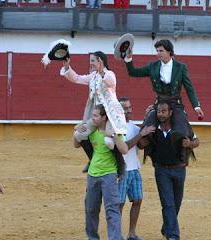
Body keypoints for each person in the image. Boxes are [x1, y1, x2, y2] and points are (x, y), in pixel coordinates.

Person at [124, 39, 204, 162]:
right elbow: (133, 72)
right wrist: (128, 59)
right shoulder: (153, 66)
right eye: (157, 51)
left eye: (161, 50)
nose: (158, 53)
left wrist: (196, 107)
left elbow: (189, 88)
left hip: (175, 104)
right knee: (147, 128)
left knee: (182, 129)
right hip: (159, 103)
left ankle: (184, 152)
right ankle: (152, 151)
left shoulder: (180, 67)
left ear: (169, 52)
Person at [138, 101, 199, 240]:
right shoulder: (153, 129)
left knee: (176, 203)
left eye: (163, 111)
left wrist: (190, 144)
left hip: (179, 170)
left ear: (171, 112)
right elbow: (141, 145)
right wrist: (144, 134)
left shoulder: (181, 128)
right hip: (161, 170)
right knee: (168, 203)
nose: (160, 114)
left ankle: (167, 227)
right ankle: (173, 235)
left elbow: (196, 141)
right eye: (158, 111)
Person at [60, 51, 127, 173]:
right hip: (97, 114)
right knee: (79, 134)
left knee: (108, 141)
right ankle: (92, 159)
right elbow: (76, 78)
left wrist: (102, 73)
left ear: (100, 61)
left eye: (92, 61)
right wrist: (66, 67)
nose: (90, 64)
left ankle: (120, 164)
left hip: (110, 115)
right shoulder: (93, 76)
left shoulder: (109, 74)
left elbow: (110, 84)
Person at [74, 104, 128, 240]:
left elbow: (124, 149)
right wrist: (77, 132)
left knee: (112, 210)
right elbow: (76, 144)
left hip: (109, 175)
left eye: (96, 116)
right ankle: (92, 238)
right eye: (92, 115)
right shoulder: (91, 131)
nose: (92, 118)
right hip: (92, 175)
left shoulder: (113, 132)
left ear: (104, 118)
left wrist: (114, 136)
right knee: (91, 209)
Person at [118, 96, 156, 240]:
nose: (128, 110)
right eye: (125, 108)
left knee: (138, 200)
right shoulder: (116, 127)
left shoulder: (133, 126)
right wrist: (141, 133)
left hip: (134, 169)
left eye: (129, 107)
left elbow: (140, 144)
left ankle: (131, 233)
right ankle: (117, 234)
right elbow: (125, 147)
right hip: (121, 170)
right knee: (119, 203)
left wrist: (149, 118)